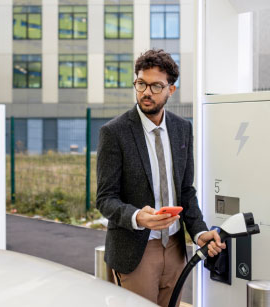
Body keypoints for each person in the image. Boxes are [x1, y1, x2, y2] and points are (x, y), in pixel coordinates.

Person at [96, 49, 226, 306]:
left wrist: (199, 232)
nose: (146, 92)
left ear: (171, 90)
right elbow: (105, 199)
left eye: (156, 86)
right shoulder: (114, 132)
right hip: (136, 250)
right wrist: (137, 217)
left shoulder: (182, 129)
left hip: (176, 248)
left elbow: (186, 191)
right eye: (141, 83)